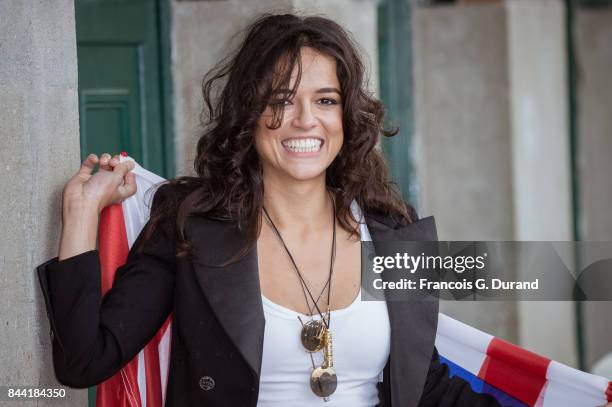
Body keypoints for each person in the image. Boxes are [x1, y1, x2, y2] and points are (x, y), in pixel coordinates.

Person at [38, 13, 502, 406]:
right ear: (249, 114)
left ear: (346, 116)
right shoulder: (189, 226)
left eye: (325, 100)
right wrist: (80, 214)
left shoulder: (393, 230)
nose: (305, 119)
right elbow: (84, 361)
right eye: (280, 100)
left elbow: (423, 386)